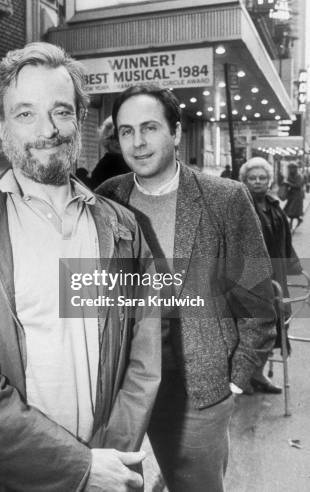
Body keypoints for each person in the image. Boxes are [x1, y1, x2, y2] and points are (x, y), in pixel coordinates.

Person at [0, 43, 161, 492]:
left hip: (106, 466)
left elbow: (144, 354)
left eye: (60, 111)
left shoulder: (123, 228)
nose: (47, 130)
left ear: (79, 120)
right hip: (0, 476)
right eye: (25, 114)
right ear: (0, 126)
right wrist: (76, 467)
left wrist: (110, 457)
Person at [96, 84, 276, 492]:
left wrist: (235, 377)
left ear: (175, 133)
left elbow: (257, 296)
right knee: (120, 485)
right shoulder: (108, 197)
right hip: (122, 384)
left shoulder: (225, 198)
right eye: (126, 131)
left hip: (196, 387)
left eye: (149, 128)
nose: (138, 143)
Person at [239, 157, 302, 393]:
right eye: (252, 178)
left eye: (262, 178)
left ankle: (257, 375)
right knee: (252, 330)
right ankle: (243, 377)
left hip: (277, 277)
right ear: (244, 181)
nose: (257, 182)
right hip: (251, 279)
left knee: (275, 328)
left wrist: (296, 268)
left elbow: (285, 240)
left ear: (269, 180)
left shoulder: (274, 205)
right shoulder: (240, 207)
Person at [90, 116, 130, 188]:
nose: (118, 142)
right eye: (114, 137)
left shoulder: (129, 161)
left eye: (122, 136)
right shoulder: (106, 165)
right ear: (106, 140)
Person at [283, 162, 304, 230]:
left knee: (292, 210)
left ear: (295, 168)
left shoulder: (298, 176)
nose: (290, 170)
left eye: (291, 168)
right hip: (291, 195)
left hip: (297, 196)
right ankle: (297, 221)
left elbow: (298, 185)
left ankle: (291, 224)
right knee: (289, 210)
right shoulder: (290, 175)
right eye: (289, 168)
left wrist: (288, 183)